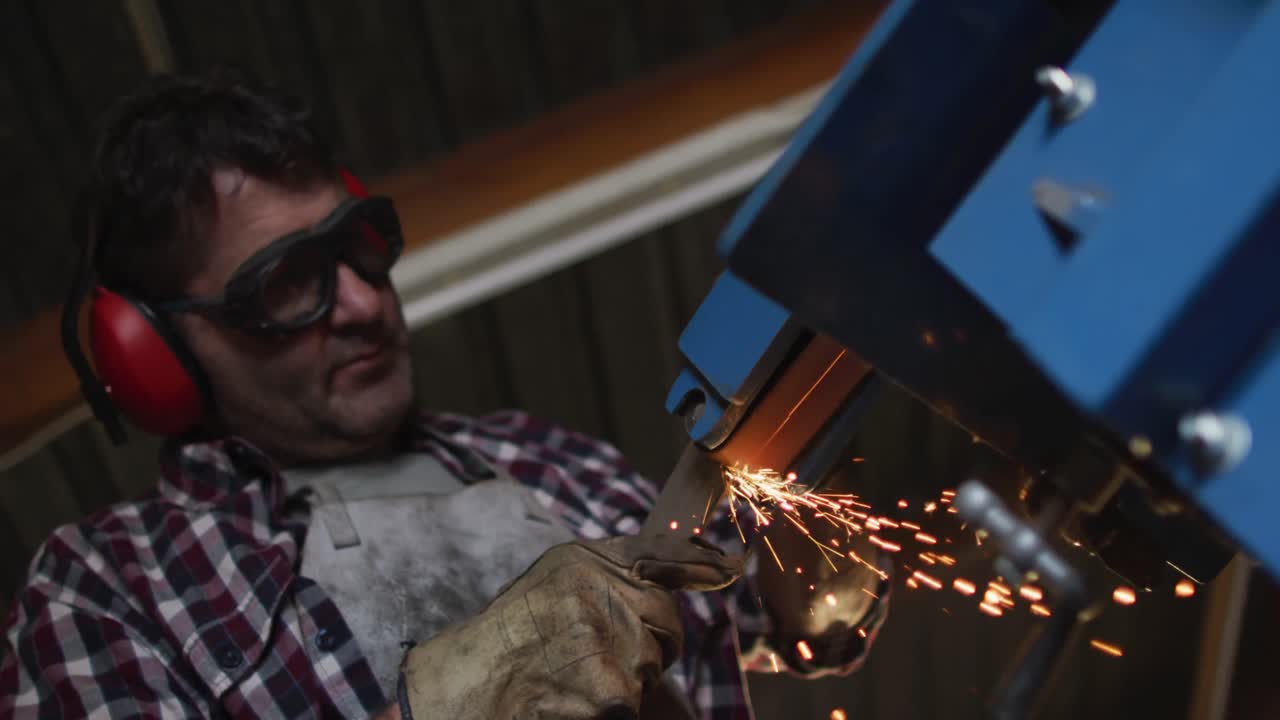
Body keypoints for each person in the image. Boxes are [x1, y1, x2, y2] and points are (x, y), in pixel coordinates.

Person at [0, 70, 889, 719]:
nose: (358, 301)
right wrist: (456, 700)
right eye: (285, 283)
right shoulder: (110, 587)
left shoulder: (552, 461)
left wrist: (792, 443)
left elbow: (801, 627)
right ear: (160, 354)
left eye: (356, 247)